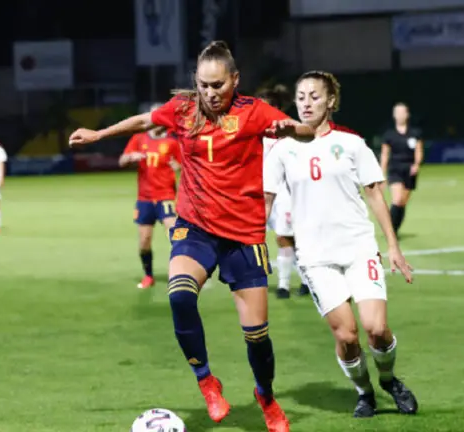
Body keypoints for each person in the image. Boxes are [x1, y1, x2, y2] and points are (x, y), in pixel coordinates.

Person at [69, 40, 315, 432]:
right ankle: (206, 380)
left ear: (235, 80)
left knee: (257, 337)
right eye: (203, 85)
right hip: (195, 227)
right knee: (180, 295)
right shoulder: (183, 109)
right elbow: (143, 121)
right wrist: (99, 135)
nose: (210, 93)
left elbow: (302, 131)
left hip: (244, 235)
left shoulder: (253, 111)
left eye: (218, 85)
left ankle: (265, 397)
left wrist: (294, 129)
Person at [264, 71, 419, 418]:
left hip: (358, 247)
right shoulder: (282, 150)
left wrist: (392, 246)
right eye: (301, 96)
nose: (306, 103)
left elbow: (376, 194)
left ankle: (390, 380)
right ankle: (365, 392)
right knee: (347, 337)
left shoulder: (351, 143)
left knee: (376, 329)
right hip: (316, 257)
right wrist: (253, 243)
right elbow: (266, 201)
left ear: (331, 101)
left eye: (314, 96)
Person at [119, 103, 182, 289]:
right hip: (145, 199)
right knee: (144, 241)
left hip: (166, 197)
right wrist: (130, 158)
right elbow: (122, 160)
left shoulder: (172, 142)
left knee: (175, 236)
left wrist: (178, 168)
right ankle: (148, 276)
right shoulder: (138, 139)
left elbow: (184, 167)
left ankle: (181, 274)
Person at [257, 84, 309, 299]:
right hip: (263, 192)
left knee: (285, 238)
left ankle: (285, 285)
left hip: (285, 193)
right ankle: (305, 281)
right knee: (280, 238)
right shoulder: (256, 133)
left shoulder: (288, 132)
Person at [379, 103, 423, 236]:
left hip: (410, 171)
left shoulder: (415, 133)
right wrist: (382, 173)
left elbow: (419, 151)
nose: (400, 115)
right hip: (395, 169)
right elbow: (385, 154)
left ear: (407, 114)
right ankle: (390, 230)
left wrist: (416, 164)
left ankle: (395, 230)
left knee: (402, 203)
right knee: (397, 199)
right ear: (394, 115)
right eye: (397, 112)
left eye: (402, 112)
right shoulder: (389, 135)